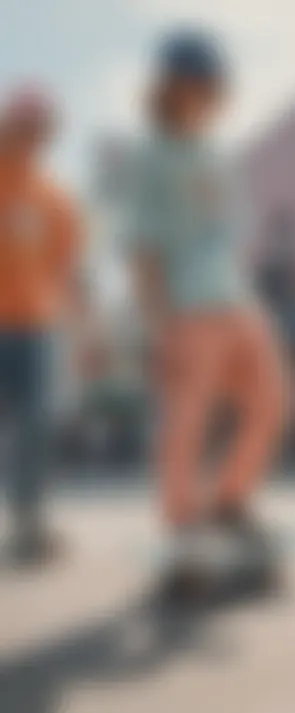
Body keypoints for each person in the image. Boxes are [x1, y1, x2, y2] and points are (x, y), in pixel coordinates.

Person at [127, 31, 290, 601]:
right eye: (191, 82)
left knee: (274, 401)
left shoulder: (221, 155)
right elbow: (142, 249)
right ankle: (181, 528)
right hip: (187, 308)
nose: (202, 93)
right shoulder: (149, 157)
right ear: (168, 88)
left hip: (238, 300)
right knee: (186, 422)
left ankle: (229, 501)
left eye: (210, 84)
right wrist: (157, 326)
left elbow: (232, 236)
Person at [0, 87, 92, 565]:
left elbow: (70, 270)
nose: (29, 136)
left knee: (35, 427)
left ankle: (28, 525)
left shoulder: (56, 198)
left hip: (35, 328)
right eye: (21, 125)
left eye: (40, 129)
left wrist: (84, 333)